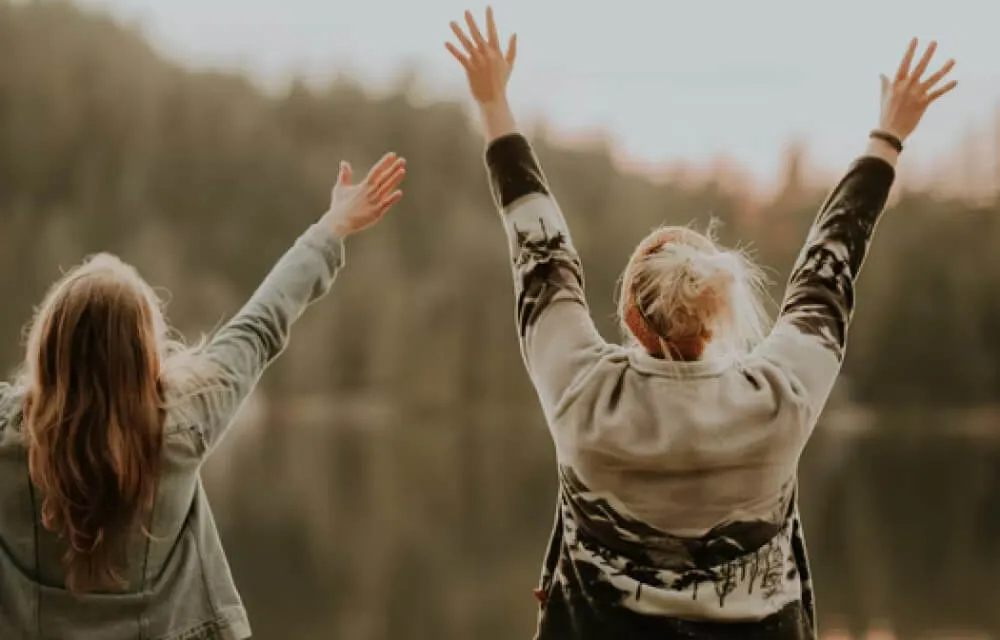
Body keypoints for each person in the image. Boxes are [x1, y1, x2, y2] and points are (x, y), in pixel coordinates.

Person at [446, 10, 956, 639]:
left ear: (630, 317)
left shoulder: (584, 394)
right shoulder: (777, 399)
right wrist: (888, 137)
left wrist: (493, 105)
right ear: (716, 317)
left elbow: (540, 253)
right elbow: (829, 270)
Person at [0, 153, 407, 639]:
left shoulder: (7, 440)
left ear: (47, 348)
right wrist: (332, 227)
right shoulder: (182, 426)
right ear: (144, 353)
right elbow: (260, 325)